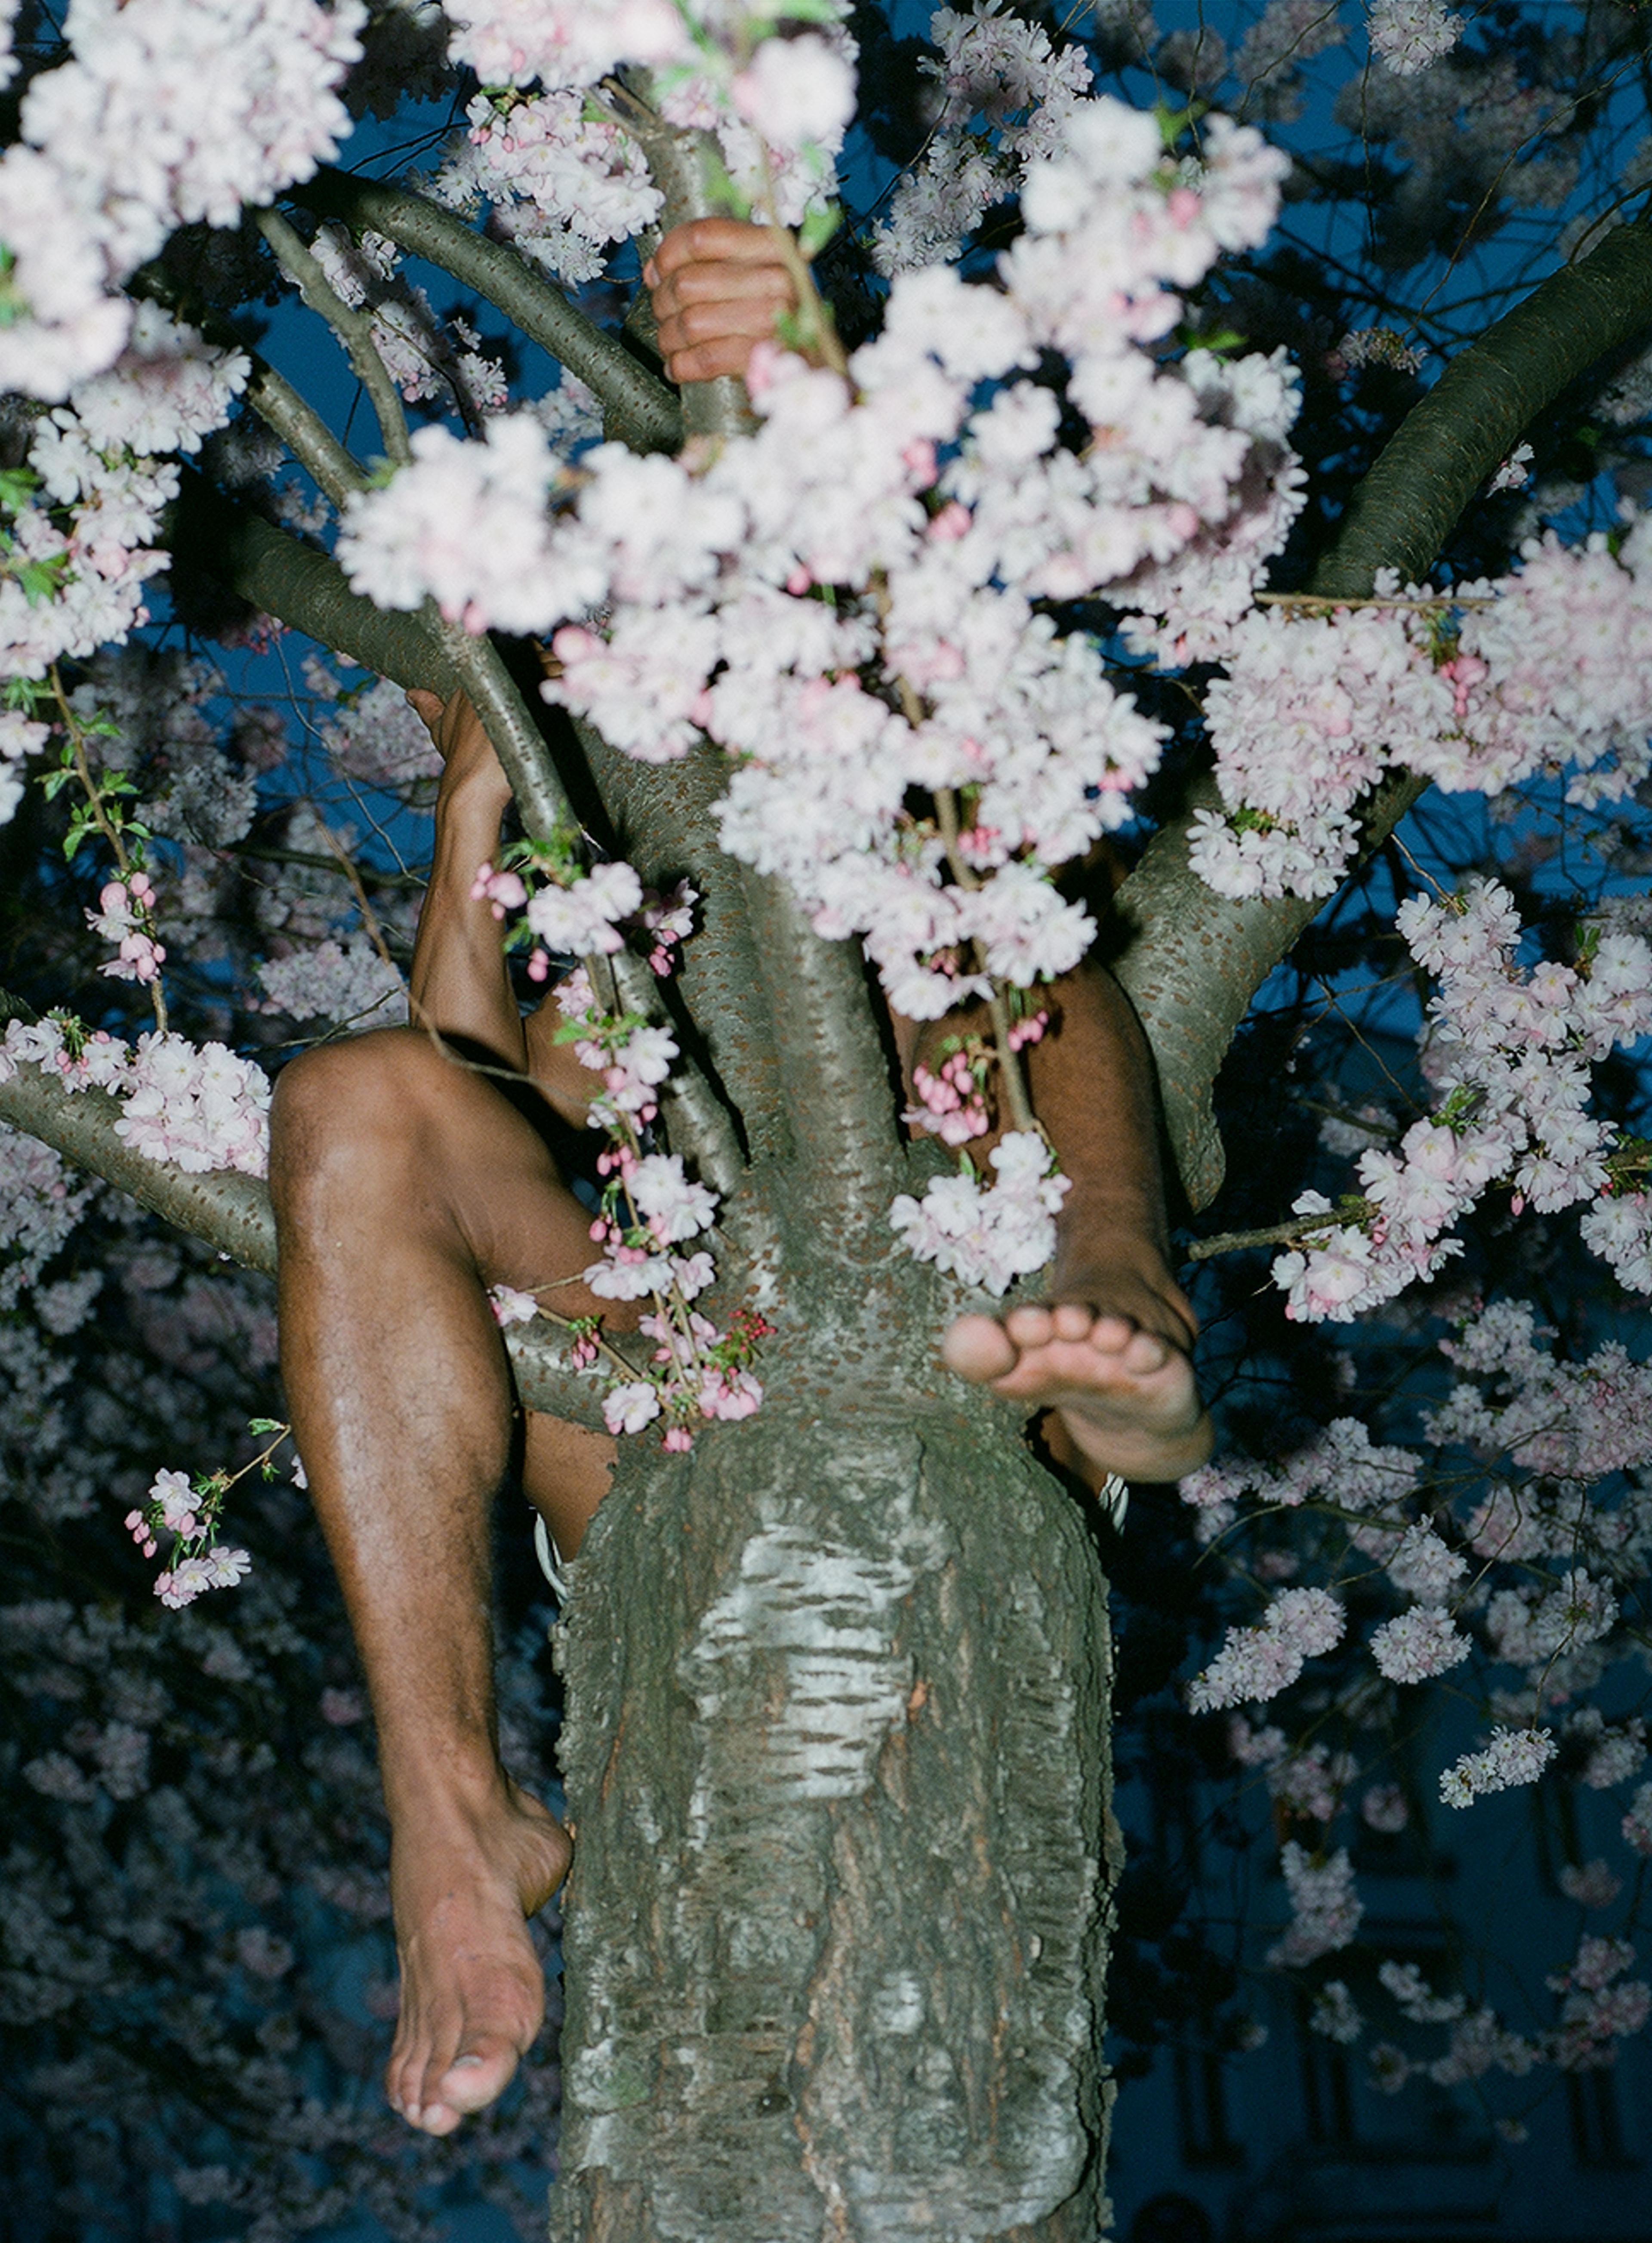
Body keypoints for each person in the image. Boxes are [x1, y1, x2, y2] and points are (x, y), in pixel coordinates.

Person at [266, 219, 1212, 2139]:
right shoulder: (568, 815)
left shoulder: (840, 716)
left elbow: (962, 798)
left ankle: (1129, 1328)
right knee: (353, 1105)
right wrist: (478, 771)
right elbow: (460, 1080)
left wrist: (809, 395)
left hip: (967, 1320)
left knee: (989, 921)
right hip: (646, 1371)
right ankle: (455, 1810)